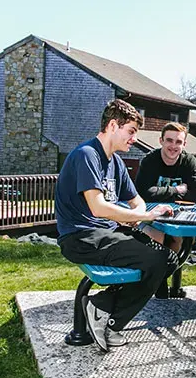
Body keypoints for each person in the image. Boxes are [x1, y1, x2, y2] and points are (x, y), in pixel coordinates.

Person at [55, 99, 177, 353]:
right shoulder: (86, 155)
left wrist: (137, 214)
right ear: (113, 125)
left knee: (169, 259)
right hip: (81, 236)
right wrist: (144, 218)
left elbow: (137, 200)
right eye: (131, 131)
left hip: (107, 232)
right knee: (156, 260)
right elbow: (97, 207)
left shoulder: (116, 162)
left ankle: (102, 306)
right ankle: (109, 318)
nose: (133, 138)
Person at [135, 122, 196, 298]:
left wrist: (161, 193)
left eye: (178, 142)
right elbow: (144, 193)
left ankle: (159, 279)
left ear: (184, 144)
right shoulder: (150, 161)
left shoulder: (189, 161)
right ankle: (157, 282)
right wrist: (178, 190)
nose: (173, 146)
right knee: (157, 236)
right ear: (161, 141)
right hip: (152, 214)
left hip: (178, 215)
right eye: (169, 140)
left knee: (177, 238)